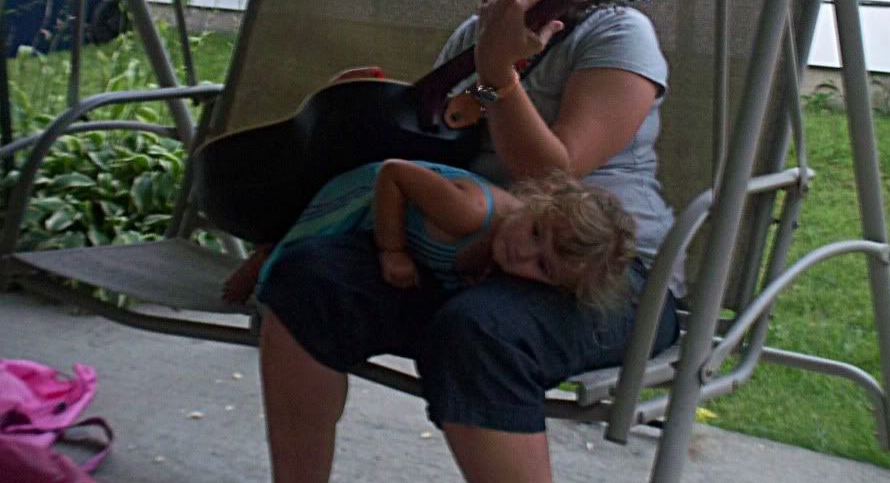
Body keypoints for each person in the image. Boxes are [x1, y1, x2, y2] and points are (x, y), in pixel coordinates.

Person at [252, 0, 685, 483]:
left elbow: (556, 173)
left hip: (601, 267)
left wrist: (499, 77)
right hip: (473, 251)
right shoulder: (474, 36)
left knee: (479, 332)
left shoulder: (618, 32)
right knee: (308, 283)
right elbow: (431, 151)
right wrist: (373, 106)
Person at [223, 159, 637, 314]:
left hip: (408, 226)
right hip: (367, 200)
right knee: (299, 249)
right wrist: (393, 250)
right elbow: (394, 174)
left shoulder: (504, 255)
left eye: (543, 266)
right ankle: (262, 257)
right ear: (536, 202)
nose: (522, 253)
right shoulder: (468, 214)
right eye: (534, 232)